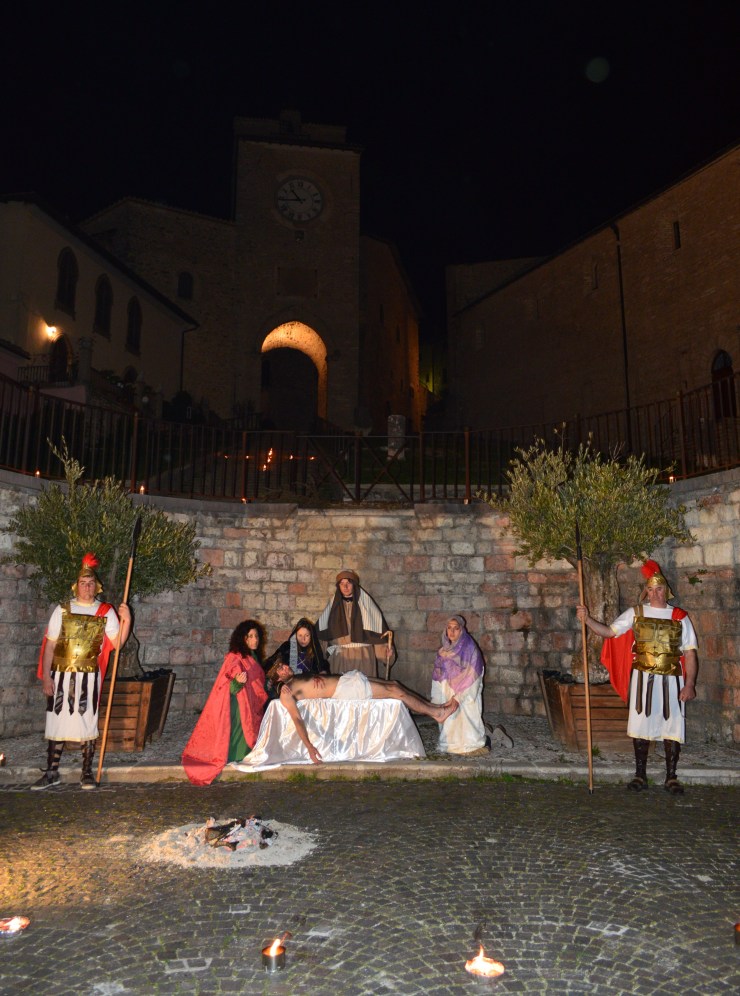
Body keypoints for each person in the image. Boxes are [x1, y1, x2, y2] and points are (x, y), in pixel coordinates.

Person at [577, 559, 699, 794]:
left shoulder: (680, 617)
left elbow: (690, 653)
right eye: (651, 589)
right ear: (646, 591)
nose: (655, 593)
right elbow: (610, 632)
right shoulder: (636, 613)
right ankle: (640, 775)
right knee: (641, 726)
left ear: (667, 591)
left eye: (659, 589)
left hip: (672, 680)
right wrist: (587, 619)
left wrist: (690, 684)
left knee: (671, 728)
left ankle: (671, 777)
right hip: (642, 680)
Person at [32, 553, 131, 790]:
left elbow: (117, 644)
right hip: (60, 675)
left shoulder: (105, 611)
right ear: (77, 586)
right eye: (83, 583)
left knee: (87, 722)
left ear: (97, 587)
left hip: (89, 675)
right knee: (56, 724)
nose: (87, 587)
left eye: (91, 584)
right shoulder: (63, 610)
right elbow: (50, 646)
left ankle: (86, 772)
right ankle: (52, 772)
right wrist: (46, 676)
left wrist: (127, 621)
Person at [278, 671, 459, 764]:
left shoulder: (296, 678)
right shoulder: (286, 693)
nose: (285, 667)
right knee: (394, 691)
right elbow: (297, 719)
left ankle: (435, 707)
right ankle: (437, 714)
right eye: (280, 668)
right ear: (275, 677)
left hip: (347, 680)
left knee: (394, 684)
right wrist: (309, 747)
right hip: (346, 690)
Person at [182, 620, 268, 786]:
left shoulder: (253, 656)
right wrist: (237, 682)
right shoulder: (234, 657)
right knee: (237, 732)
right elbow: (227, 685)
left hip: (250, 704)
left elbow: (257, 682)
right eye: (250, 636)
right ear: (242, 638)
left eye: (256, 636)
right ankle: (232, 755)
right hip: (238, 705)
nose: (254, 640)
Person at [316, 569, 394, 677]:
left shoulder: (366, 606)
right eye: (342, 583)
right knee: (341, 692)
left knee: (363, 691)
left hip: (363, 658)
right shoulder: (333, 608)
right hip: (340, 659)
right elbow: (322, 636)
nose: (345, 586)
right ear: (338, 586)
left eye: (348, 583)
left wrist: (386, 654)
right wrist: (317, 659)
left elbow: (376, 633)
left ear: (354, 585)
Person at [431, 615, 488, 755]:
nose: (452, 632)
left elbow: (473, 672)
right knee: (450, 718)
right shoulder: (443, 650)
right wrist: (438, 695)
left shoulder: (470, 648)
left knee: (466, 717)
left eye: (456, 628)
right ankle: (449, 744)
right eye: (449, 628)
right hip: (447, 690)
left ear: (462, 630)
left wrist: (459, 696)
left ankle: (470, 745)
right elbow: (438, 673)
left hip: (465, 691)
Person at [263, 617, 329, 676]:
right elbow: (272, 661)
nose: (303, 639)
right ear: (295, 635)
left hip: (308, 684)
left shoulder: (315, 651)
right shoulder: (287, 647)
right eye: (300, 635)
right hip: (289, 684)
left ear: (311, 636)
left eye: (307, 635)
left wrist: (323, 671)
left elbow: (322, 665)